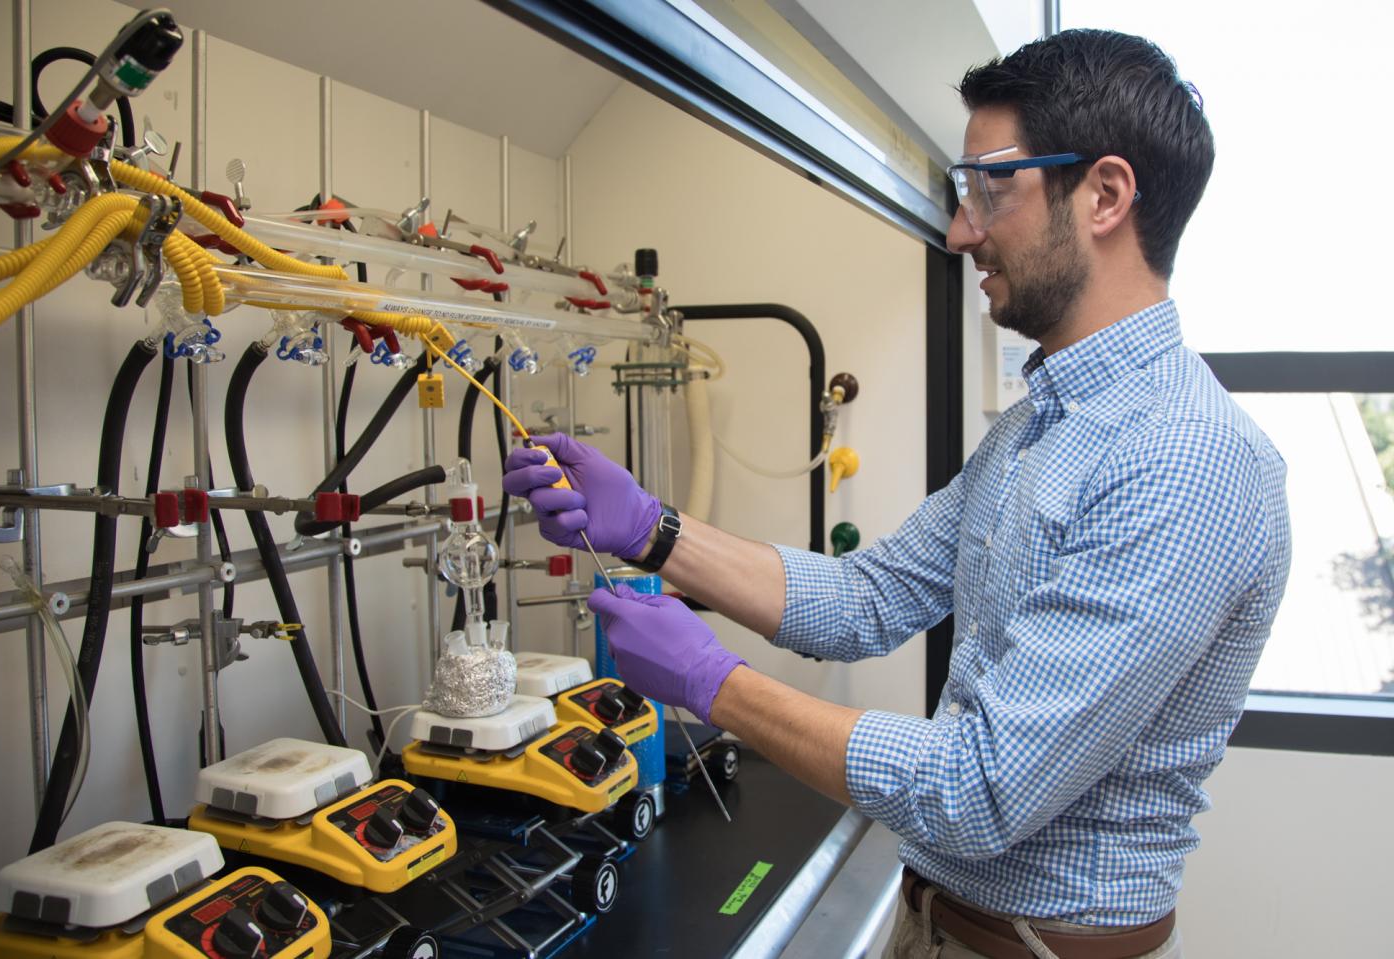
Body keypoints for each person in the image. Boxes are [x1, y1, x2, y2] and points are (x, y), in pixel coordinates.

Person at [503, 29, 1290, 959]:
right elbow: (867, 596)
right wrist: (654, 531)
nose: (962, 230)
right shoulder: (1040, 426)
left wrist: (715, 682)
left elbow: (981, 788)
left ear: (1106, 195)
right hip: (938, 922)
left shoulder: (1187, 461)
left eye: (990, 187)